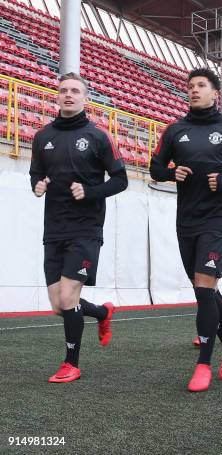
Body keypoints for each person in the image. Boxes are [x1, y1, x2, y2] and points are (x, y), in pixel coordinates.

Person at [150, 68, 222, 392]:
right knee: (207, 292)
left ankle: (203, 365)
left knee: (203, 290)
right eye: (190, 86)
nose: (194, 90)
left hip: (216, 222)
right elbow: (155, 168)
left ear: (215, 93)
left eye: (201, 85)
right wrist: (173, 173)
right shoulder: (174, 131)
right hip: (186, 221)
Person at [29, 72, 127, 383]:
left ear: (85, 98)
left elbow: (121, 180)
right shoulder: (42, 137)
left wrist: (90, 191)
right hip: (53, 229)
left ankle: (71, 363)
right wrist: (38, 185)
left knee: (69, 298)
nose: (68, 95)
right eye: (63, 90)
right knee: (59, 305)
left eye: (75, 90)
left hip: (85, 228)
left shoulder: (99, 136)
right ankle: (101, 313)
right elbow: (35, 173)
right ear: (56, 97)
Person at [192, 189, 222, 347]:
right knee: (205, 287)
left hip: (220, 242)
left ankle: (210, 329)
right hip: (199, 240)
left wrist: (219, 212)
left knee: (206, 288)